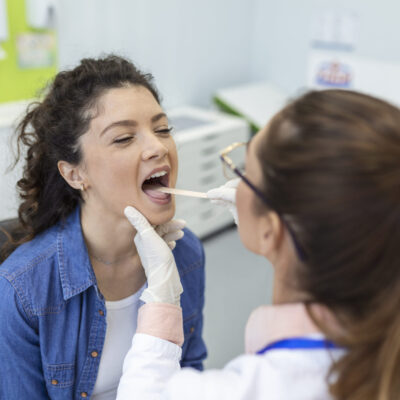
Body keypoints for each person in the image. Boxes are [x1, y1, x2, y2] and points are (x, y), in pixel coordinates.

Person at [116, 89, 400, 400]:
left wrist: (162, 299)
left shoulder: (269, 387)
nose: (157, 147)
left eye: (246, 172)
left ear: (272, 229)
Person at [0, 55, 207, 399]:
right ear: (74, 173)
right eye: (124, 138)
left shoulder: (186, 253)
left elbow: (190, 372)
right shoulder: (22, 291)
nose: (158, 147)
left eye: (163, 129)